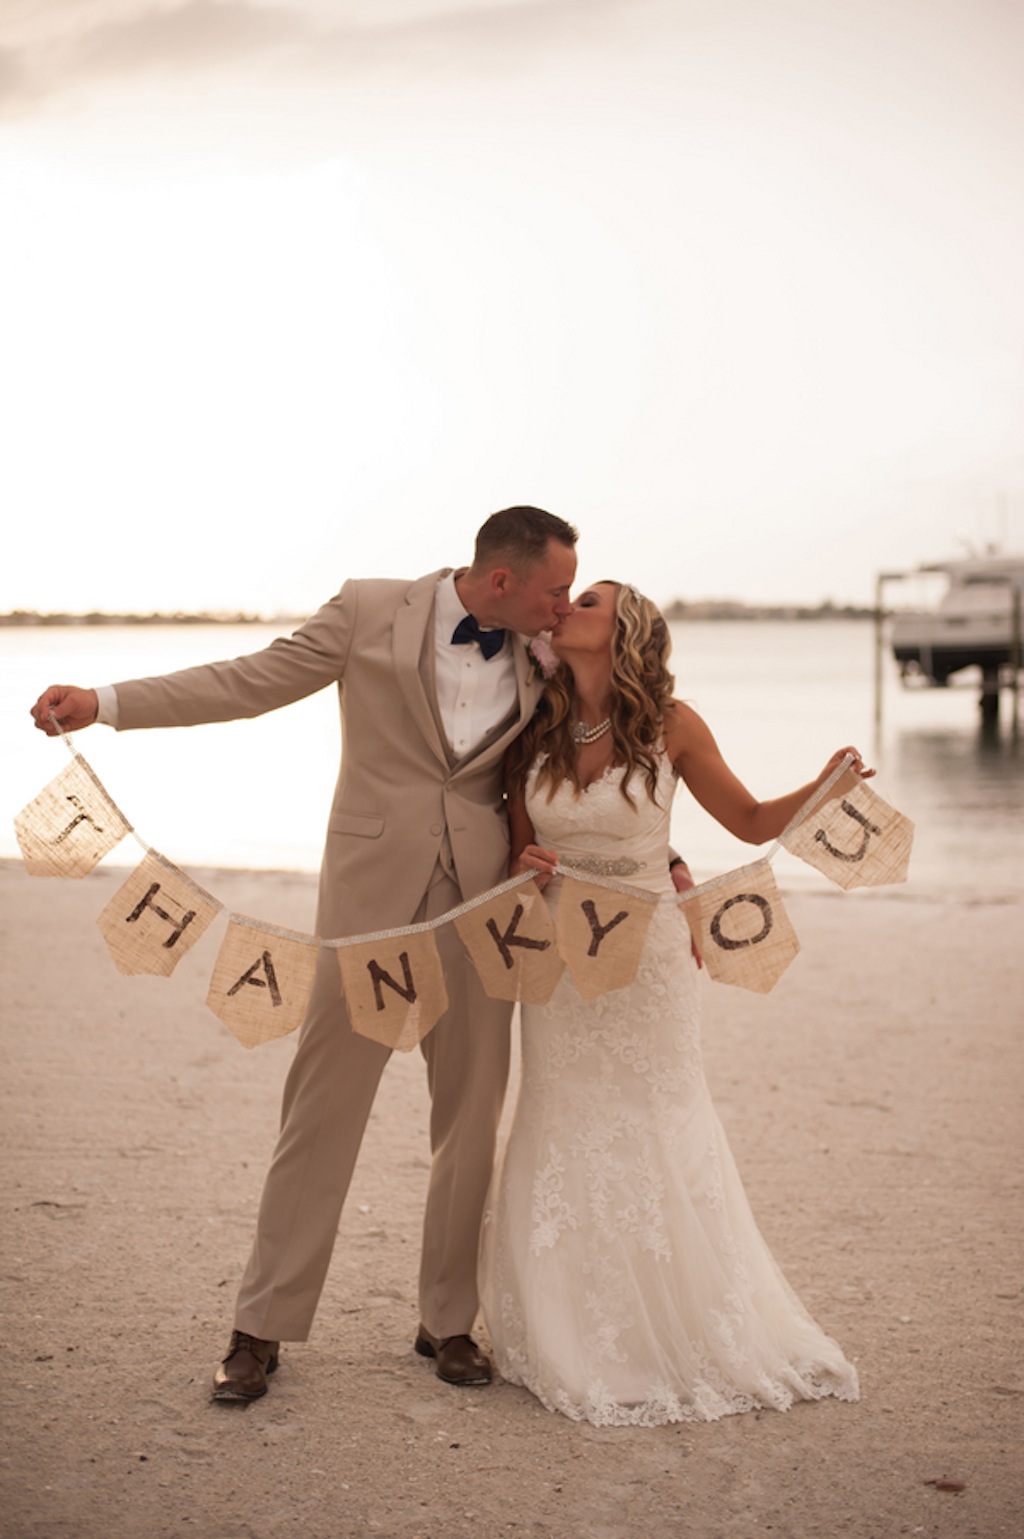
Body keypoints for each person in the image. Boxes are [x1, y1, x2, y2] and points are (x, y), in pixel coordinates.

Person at [30, 506, 587, 1400]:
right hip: (369, 907)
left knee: (473, 1117)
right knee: (321, 1112)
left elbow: (600, 750)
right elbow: (248, 681)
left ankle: (448, 1321)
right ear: (500, 581)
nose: (564, 606)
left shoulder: (545, 652)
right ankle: (260, 1328)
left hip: (486, 910)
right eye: (556, 588)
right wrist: (107, 704)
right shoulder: (369, 610)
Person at [479, 580, 866, 1426]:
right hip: (559, 954)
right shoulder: (533, 728)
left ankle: (682, 1328)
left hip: (648, 951)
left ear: (625, 630)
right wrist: (525, 870)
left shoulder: (672, 725)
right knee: (561, 1114)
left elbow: (754, 820)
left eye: (590, 598)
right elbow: (518, 851)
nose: (568, 604)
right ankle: (571, 1326)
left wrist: (825, 784)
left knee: (659, 1115)